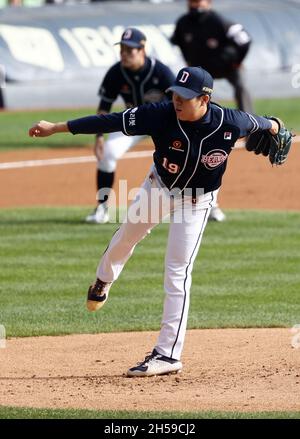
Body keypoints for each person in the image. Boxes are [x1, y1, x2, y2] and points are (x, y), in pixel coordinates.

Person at [29, 66, 282, 377]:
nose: (177, 99)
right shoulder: (158, 114)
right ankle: (103, 280)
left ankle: (168, 355)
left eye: (185, 97)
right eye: (175, 93)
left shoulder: (230, 121)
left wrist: (276, 125)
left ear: (204, 99)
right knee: (125, 238)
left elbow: (264, 123)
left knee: (178, 271)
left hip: (197, 202)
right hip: (158, 188)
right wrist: (57, 127)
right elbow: (109, 121)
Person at [86, 27, 175, 224]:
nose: (125, 54)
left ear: (142, 50)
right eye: (122, 50)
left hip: (162, 124)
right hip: (133, 123)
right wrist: (99, 136)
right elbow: (104, 107)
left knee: (185, 157)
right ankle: (101, 207)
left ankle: (206, 204)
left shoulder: (161, 72)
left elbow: (181, 103)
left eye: (130, 50)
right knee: (107, 153)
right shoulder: (116, 72)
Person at [171, 0, 253, 114]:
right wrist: (188, 60)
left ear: (209, 3)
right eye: (192, 1)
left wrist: (238, 60)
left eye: (198, 1)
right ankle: (203, 118)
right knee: (194, 90)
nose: (195, 5)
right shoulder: (183, 22)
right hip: (202, 68)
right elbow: (178, 42)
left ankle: (249, 119)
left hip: (227, 65)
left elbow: (245, 40)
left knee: (241, 86)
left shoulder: (218, 21)